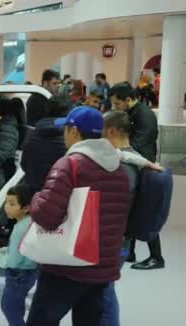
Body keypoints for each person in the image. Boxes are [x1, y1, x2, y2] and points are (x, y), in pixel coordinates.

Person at [26, 106, 131, 326]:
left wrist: (36, 198)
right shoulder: (120, 169)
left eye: (65, 129)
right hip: (102, 267)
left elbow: (46, 216)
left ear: (74, 132)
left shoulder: (70, 165)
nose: (63, 135)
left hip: (66, 266)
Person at [100, 110, 163, 326]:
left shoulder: (123, 167)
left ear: (111, 130)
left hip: (114, 240)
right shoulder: (131, 157)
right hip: (118, 239)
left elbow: (114, 206)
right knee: (101, 291)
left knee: (103, 292)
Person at [110, 83, 164, 270]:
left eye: (117, 104)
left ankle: (156, 257)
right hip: (138, 165)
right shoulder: (133, 113)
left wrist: (119, 152)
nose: (115, 108)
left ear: (127, 100)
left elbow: (138, 146)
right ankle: (130, 251)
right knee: (132, 209)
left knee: (146, 212)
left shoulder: (145, 115)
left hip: (145, 168)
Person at [0, 184, 38, 326]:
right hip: (30, 270)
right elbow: (22, 248)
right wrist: (8, 250)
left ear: (26, 208)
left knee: (9, 307)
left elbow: (12, 262)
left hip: (17, 274)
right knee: (16, 306)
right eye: (6, 202)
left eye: (12, 204)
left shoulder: (19, 229)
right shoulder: (30, 222)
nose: (7, 207)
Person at [21, 95, 73, 197]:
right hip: (60, 195)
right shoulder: (71, 138)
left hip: (34, 193)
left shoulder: (33, 133)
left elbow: (24, 164)